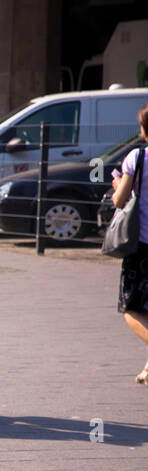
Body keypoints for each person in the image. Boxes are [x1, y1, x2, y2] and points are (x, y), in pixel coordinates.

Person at [111, 103, 148, 385]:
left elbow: (120, 200)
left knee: (131, 308)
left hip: (142, 245)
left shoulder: (138, 157)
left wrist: (116, 186)